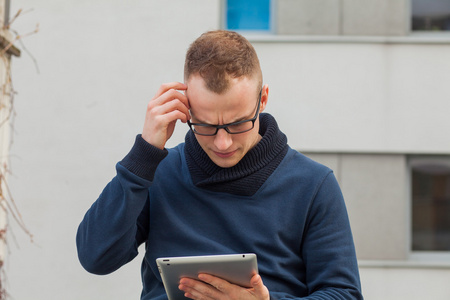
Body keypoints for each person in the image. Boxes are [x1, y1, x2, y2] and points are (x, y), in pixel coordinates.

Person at [76, 30, 363, 300]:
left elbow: (344, 293)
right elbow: (95, 258)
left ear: (262, 99)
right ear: (185, 109)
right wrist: (145, 153)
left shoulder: (313, 184)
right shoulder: (157, 172)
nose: (222, 143)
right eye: (205, 125)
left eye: (238, 124)